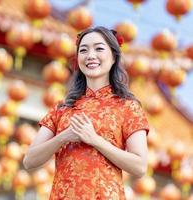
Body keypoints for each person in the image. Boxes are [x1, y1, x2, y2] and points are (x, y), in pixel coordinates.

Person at [23, 26, 149, 200]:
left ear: (113, 57)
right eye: (83, 50)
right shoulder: (63, 108)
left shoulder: (128, 106)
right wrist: (64, 136)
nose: (90, 55)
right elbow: (29, 160)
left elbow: (139, 167)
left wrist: (94, 140)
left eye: (99, 48)